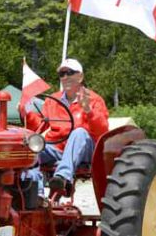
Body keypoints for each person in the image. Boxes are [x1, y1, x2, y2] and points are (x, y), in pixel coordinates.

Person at [20, 58, 109, 192]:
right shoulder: (53, 100)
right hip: (57, 148)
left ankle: (62, 177)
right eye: (62, 74)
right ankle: (35, 194)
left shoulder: (94, 99)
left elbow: (102, 131)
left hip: (85, 149)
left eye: (70, 72)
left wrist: (88, 110)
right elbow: (40, 125)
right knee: (33, 146)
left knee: (79, 132)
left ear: (80, 76)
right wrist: (25, 114)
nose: (65, 77)